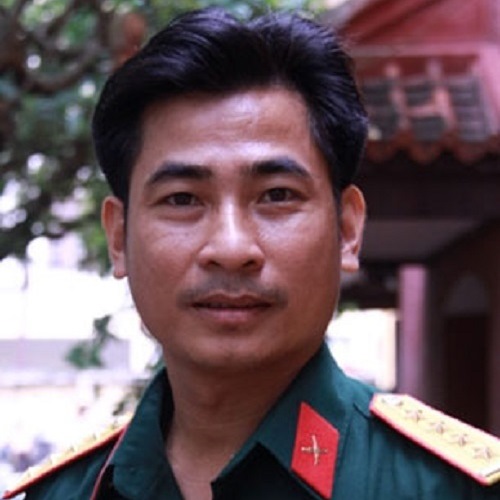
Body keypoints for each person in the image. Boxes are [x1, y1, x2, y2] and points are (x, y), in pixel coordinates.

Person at [4, 7, 500, 500]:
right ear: (119, 238)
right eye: (182, 199)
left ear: (348, 230)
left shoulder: (450, 489)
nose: (231, 248)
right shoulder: (66, 492)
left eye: (277, 195)